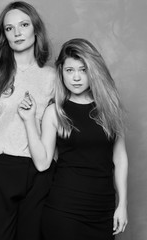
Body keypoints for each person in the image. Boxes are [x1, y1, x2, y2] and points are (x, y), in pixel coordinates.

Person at [18, 38, 128, 240]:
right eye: (69, 70)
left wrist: (122, 205)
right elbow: (42, 163)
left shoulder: (110, 108)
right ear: (61, 72)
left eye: (83, 70)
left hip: (103, 210)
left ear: (93, 72)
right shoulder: (55, 112)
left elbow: (120, 159)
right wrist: (29, 120)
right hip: (64, 210)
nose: (76, 77)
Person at [0, 1, 56, 240]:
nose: (17, 32)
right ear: (4, 35)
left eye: (23, 25)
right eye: (9, 28)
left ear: (35, 29)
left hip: (38, 171)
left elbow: (60, 126)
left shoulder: (52, 77)